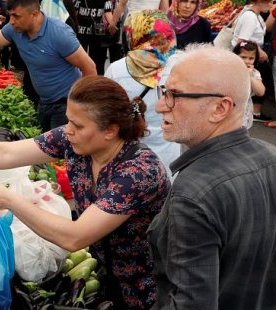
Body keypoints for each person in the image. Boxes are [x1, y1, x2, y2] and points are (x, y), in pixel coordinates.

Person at [0, 76, 170, 309]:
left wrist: (9, 199)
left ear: (110, 131)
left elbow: (75, 237)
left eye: (78, 125)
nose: (67, 130)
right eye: (69, 120)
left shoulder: (137, 172)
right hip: (109, 270)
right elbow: (5, 152)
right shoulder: (74, 142)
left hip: (150, 284)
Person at [148, 44, 276, 309]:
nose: (161, 105)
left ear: (220, 108)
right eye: (164, 92)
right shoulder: (271, 156)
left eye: (174, 95)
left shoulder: (192, 194)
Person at [0, 0, 97, 132]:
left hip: (65, 104)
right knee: (45, 147)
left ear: (34, 14)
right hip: (44, 102)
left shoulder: (59, 33)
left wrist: (81, 105)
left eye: (16, 16)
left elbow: (89, 67)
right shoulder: (14, 29)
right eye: (10, 15)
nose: (11, 21)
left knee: (59, 149)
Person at [106, 10, 180, 178]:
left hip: (130, 155)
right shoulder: (179, 65)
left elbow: (107, 112)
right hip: (169, 155)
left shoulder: (117, 70)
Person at [232, 0, 272, 122]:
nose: (271, 5)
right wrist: (257, 52)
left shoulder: (256, 15)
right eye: (269, 2)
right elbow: (242, 41)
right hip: (251, 52)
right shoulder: (250, 17)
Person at [73, 0, 118, 74]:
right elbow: (108, 13)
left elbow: (74, 13)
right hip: (93, 31)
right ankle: (94, 81)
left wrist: (112, 25)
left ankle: (85, 81)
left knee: (90, 61)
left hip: (87, 32)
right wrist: (112, 25)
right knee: (95, 62)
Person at [232, 41, 265, 128]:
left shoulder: (254, 73)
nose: (247, 61)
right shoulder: (229, 69)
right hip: (229, 107)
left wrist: (250, 76)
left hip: (243, 110)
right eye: (243, 57)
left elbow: (260, 92)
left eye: (251, 58)